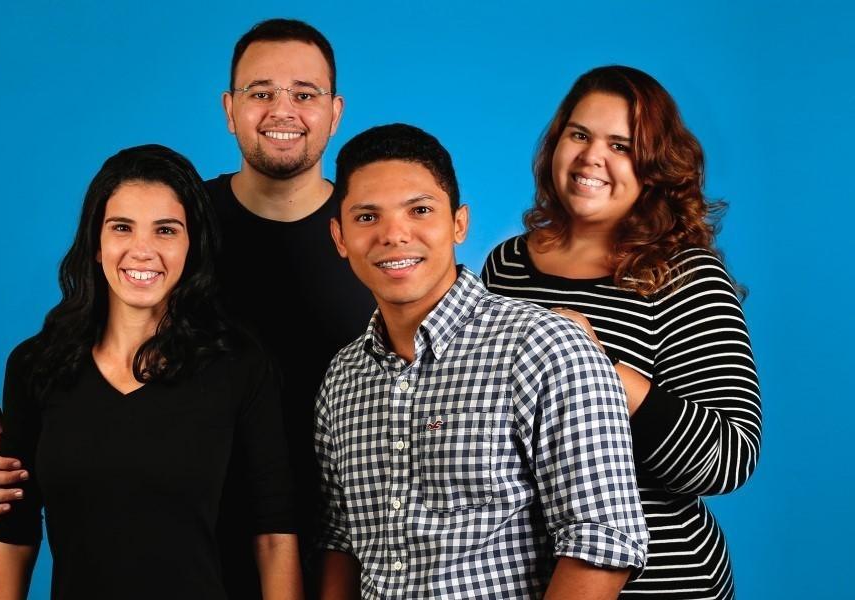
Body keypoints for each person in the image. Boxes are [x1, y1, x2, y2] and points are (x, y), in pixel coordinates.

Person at [0, 19, 371, 594]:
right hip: (191, 543)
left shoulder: (372, 238)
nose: (283, 109)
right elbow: (75, 379)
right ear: (230, 109)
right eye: (261, 92)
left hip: (343, 545)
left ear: (335, 111)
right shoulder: (178, 214)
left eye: (304, 94)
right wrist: (15, 460)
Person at [315, 124, 648, 599]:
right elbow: (342, 542)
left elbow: (602, 543)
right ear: (340, 237)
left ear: (458, 223)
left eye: (420, 210)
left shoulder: (545, 347)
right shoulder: (343, 379)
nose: (393, 235)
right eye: (367, 217)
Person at [481, 65, 762, 599]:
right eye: (580, 135)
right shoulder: (507, 266)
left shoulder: (686, 276)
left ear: (653, 168)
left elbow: (731, 456)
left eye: (621, 146)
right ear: (556, 143)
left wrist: (599, 371)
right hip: (526, 578)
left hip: (660, 579)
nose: (592, 158)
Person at [0, 144, 301, 600]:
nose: (142, 250)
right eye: (122, 227)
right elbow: (13, 533)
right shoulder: (37, 365)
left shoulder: (240, 366)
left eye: (166, 230)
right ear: (96, 242)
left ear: (192, 246)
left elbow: (274, 536)